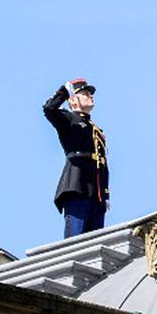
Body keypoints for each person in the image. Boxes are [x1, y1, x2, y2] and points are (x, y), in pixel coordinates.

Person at [43, 78, 110, 237]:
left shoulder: (96, 130)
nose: (90, 96)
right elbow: (49, 109)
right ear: (73, 100)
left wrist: (105, 194)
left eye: (90, 94)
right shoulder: (68, 119)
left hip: (96, 192)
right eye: (85, 93)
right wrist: (65, 91)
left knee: (95, 243)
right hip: (77, 185)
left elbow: (102, 163)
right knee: (75, 240)